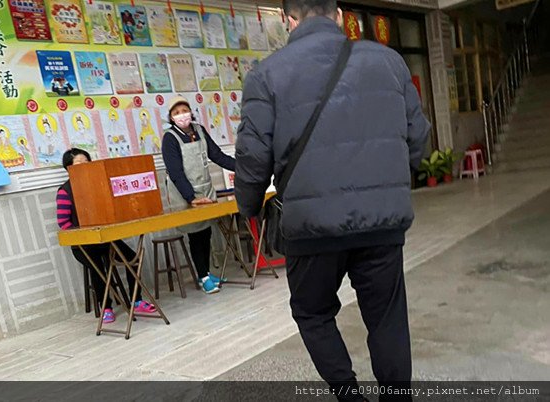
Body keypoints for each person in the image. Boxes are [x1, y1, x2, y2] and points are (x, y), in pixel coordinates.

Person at [234, 0, 430, 400]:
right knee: (387, 319)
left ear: (288, 21)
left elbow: (252, 159)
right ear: (340, 15)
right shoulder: (389, 62)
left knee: (312, 312)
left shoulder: (266, 75)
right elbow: (419, 141)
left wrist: (249, 206)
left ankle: (349, 395)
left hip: (311, 226)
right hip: (382, 224)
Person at [56, 148, 157, 324]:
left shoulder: (98, 184)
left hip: (106, 240)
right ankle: (106, 307)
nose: (84, 166)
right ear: (68, 168)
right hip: (84, 244)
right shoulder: (65, 191)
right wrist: (85, 234)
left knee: (132, 258)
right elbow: (63, 223)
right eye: (79, 164)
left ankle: (136, 301)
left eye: (87, 162)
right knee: (98, 269)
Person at [162, 96, 236, 295]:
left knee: (206, 232)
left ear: (191, 112)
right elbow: (175, 172)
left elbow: (217, 155)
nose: (182, 115)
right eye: (176, 113)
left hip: (205, 188)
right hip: (185, 194)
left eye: (184, 110)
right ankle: (203, 276)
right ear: (171, 117)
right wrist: (191, 198)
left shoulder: (199, 130)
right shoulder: (170, 138)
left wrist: (241, 167)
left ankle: (207, 272)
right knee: (195, 234)